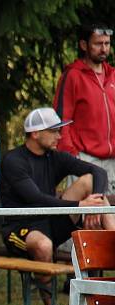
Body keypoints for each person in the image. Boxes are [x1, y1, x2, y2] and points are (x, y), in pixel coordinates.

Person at [0, 107, 115, 305]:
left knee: (90, 185)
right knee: (42, 245)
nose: (59, 136)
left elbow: (98, 173)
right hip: (20, 228)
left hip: (51, 221)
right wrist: (81, 205)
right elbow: (36, 198)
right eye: (54, 131)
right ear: (35, 133)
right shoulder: (13, 161)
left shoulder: (55, 157)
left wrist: (95, 204)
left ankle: (113, 246)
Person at [54, 23, 115, 193]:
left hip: (113, 160)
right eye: (98, 44)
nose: (103, 49)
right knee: (85, 214)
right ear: (83, 45)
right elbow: (62, 118)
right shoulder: (73, 75)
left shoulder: (113, 75)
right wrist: (70, 155)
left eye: (107, 43)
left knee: (112, 215)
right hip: (84, 158)